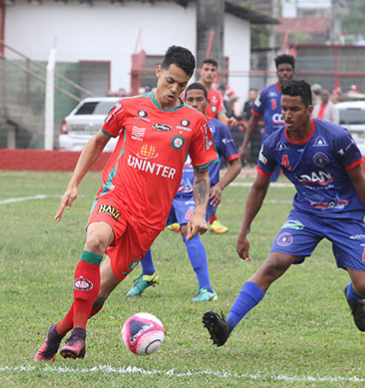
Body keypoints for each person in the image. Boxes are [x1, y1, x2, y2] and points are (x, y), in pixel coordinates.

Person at [33, 46, 219, 361]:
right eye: (170, 81)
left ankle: (58, 332)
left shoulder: (195, 122)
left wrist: (200, 211)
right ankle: (79, 335)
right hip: (116, 196)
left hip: (149, 221)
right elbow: (98, 141)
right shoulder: (127, 108)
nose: (174, 90)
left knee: (99, 292)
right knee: (96, 239)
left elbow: (202, 172)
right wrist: (73, 184)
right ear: (158, 71)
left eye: (182, 86)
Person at [202, 80, 365, 347]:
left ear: (309, 108)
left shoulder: (336, 137)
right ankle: (228, 326)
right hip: (306, 216)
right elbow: (259, 187)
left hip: (346, 217)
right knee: (273, 264)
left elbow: (359, 181)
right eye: (283, 109)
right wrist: (244, 230)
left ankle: (352, 297)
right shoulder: (274, 144)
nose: (287, 115)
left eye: (294, 109)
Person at [127, 82, 239, 302]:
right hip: (168, 191)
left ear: (208, 102)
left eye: (200, 99)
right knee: (140, 226)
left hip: (197, 195)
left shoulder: (218, 128)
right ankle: (148, 274)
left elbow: (235, 164)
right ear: (183, 100)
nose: (195, 103)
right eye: (191, 99)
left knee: (189, 229)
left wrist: (219, 186)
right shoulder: (177, 125)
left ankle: (206, 289)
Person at [239, 54, 294, 182]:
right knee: (264, 183)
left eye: (288, 70)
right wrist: (244, 146)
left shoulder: (300, 93)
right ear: (277, 73)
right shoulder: (266, 93)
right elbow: (253, 120)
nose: (285, 73)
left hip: (294, 145)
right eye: (281, 70)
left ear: (293, 72)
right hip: (271, 146)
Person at [198, 58, 237, 128]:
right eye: (206, 69)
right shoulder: (190, 91)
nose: (209, 72)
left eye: (212, 70)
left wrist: (229, 122)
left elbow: (222, 119)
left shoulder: (217, 95)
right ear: (201, 71)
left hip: (210, 135)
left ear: (216, 73)